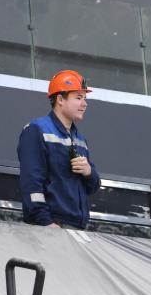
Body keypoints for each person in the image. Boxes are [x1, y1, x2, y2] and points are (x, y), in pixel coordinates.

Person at [17, 70, 101, 230]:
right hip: (51, 227)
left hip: (77, 228)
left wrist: (89, 172)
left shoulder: (80, 140)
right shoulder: (37, 130)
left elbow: (93, 186)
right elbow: (31, 183)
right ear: (60, 99)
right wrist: (45, 222)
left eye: (85, 98)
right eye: (78, 97)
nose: (84, 104)